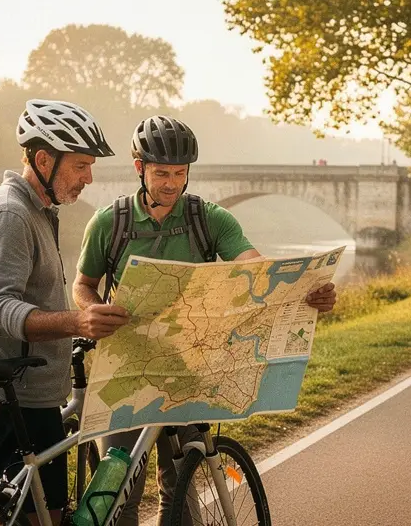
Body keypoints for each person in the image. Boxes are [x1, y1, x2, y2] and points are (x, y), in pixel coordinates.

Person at [72, 115, 338, 526]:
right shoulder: (110, 222)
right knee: (116, 495)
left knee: (179, 489)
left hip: (188, 368)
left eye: (180, 173)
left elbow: (256, 272)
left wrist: (306, 292)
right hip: (125, 370)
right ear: (140, 167)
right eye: (162, 173)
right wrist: (91, 309)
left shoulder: (209, 219)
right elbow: (83, 284)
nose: (172, 184)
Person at [0, 99, 131, 526]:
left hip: (30, 392)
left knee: (46, 513)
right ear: (42, 161)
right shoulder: (8, 215)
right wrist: (77, 321)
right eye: (80, 166)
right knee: (40, 519)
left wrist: (78, 329)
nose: (89, 178)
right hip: (9, 395)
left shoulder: (37, 211)